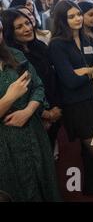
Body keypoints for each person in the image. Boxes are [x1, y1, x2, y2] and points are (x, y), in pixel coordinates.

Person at [48, 0, 93, 200]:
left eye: (79, 14)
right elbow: (70, 81)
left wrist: (86, 71)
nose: (78, 19)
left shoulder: (88, 39)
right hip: (77, 105)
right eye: (71, 16)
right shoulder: (57, 44)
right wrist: (89, 72)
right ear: (62, 20)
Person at [0, 19, 61, 201]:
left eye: (1, 30)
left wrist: (28, 111)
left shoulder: (15, 54)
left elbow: (38, 87)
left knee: (44, 183)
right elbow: (15, 93)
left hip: (33, 132)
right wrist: (10, 97)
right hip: (5, 144)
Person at [1, 10, 62, 154]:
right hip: (31, 118)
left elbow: (48, 81)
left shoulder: (40, 47)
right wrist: (45, 114)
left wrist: (56, 110)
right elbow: (24, 91)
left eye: (27, 23)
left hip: (54, 110)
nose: (27, 28)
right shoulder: (12, 56)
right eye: (19, 27)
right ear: (9, 31)